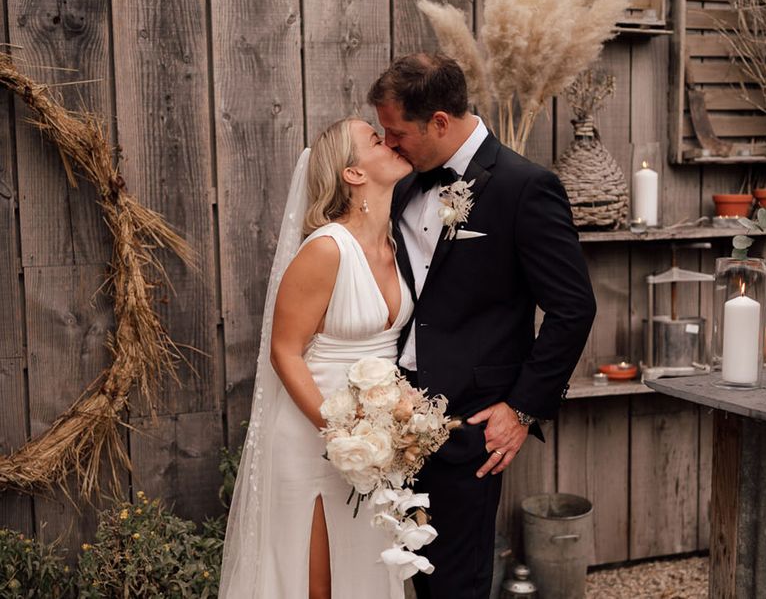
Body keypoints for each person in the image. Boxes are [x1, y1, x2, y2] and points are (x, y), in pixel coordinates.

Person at [367, 53, 597, 599]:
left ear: (439, 122)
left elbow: (573, 307)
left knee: (453, 581)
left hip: (467, 424)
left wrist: (521, 408)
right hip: (384, 414)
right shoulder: (403, 183)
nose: (388, 144)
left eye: (396, 132)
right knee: (389, 573)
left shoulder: (526, 187)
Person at [219, 118, 414, 599]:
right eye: (375, 138)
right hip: (315, 436)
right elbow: (284, 352)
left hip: (377, 440)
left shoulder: (396, 245)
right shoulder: (327, 249)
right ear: (352, 174)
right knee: (317, 584)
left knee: (368, 571)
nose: (389, 140)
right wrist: (341, 432)